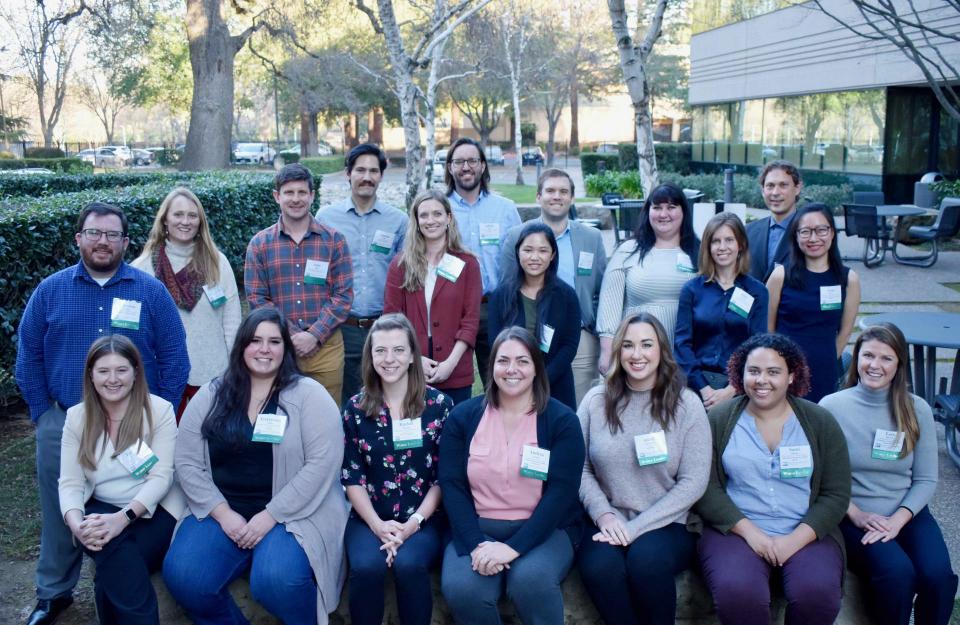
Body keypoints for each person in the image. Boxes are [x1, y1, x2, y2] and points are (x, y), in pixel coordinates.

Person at [15, 202, 188, 625]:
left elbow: (175, 357)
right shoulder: (51, 291)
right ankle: (54, 592)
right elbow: (28, 356)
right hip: (65, 419)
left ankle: (120, 565)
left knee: (134, 493)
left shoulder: (149, 291)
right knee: (63, 506)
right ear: (79, 238)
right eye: (94, 233)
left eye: (113, 235)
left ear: (126, 242)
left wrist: (152, 414)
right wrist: (43, 415)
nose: (103, 242)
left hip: (134, 417)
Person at [163, 307, 348, 625]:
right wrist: (222, 514)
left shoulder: (310, 396)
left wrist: (270, 516)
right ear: (241, 346)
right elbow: (187, 460)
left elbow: (322, 465)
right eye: (255, 340)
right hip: (222, 510)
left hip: (292, 514)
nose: (265, 349)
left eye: (274, 341)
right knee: (185, 577)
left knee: (277, 582)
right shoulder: (212, 394)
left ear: (285, 349)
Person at [695, 333, 851, 625]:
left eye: (773, 372)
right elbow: (707, 486)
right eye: (753, 371)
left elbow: (836, 493)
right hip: (736, 530)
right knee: (738, 592)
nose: (761, 380)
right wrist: (752, 534)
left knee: (816, 594)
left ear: (792, 375)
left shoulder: (819, 421)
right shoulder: (719, 419)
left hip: (804, 529)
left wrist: (794, 540)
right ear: (741, 374)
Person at [439, 326, 585, 625]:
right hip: (478, 529)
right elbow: (452, 485)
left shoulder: (562, 421)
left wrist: (512, 548)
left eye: (522, 361)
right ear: (491, 367)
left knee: (531, 580)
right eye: (503, 361)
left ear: (536, 368)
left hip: (545, 531)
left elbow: (562, 494)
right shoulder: (462, 418)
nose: (512, 370)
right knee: (463, 587)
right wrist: (477, 544)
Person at [577, 313, 710, 625]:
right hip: (607, 519)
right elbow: (579, 468)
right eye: (628, 345)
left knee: (646, 562)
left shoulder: (686, 404)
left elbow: (694, 481)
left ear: (662, 350)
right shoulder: (596, 400)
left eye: (646, 345)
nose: (637, 355)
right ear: (618, 352)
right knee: (599, 568)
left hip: (669, 523)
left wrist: (636, 528)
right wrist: (604, 515)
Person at [820, 323, 958, 625]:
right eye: (868, 355)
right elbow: (820, 478)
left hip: (906, 512)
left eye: (886, 358)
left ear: (899, 365)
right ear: (856, 359)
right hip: (853, 515)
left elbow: (925, 479)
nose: (875, 365)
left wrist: (898, 520)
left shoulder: (915, 408)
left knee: (938, 576)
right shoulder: (831, 408)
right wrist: (855, 514)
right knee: (897, 573)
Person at [59, 335, 184, 625]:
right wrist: (77, 526)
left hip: (155, 508)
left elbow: (161, 476)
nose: (112, 379)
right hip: (100, 507)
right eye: (103, 371)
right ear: (90, 375)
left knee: (115, 562)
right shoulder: (77, 417)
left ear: (136, 372)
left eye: (121, 370)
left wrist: (123, 518)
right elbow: (70, 483)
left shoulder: (159, 411)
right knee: (107, 545)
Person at [341, 313, 454, 625]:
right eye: (380, 351)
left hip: (425, 518)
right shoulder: (354, 409)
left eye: (398, 350)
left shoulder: (440, 407)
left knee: (409, 564)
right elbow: (352, 476)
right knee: (366, 566)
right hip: (369, 518)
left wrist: (413, 524)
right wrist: (378, 525)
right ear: (370, 356)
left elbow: (444, 477)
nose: (389, 359)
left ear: (412, 357)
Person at [245, 163, 353, 407]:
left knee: (326, 415)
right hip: (278, 348)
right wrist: (292, 335)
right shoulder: (260, 244)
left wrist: (314, 335)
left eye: (302, 192)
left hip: (326, 348)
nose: (296, 199)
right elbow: (257, 298)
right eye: (289, 193)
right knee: (279, 415)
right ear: (277, 197)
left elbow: (343, 295)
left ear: (312, 196)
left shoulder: (334, 241)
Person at [501, 168, 607, 407]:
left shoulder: (592, 238)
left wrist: (594, 326)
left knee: (577, 408)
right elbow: (507, 287)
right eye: (550, 190)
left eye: (563, 191)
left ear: (572, 198)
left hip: (579, 338)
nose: (556, 196)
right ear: (538, 197)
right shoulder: (516, 236)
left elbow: (601, 289)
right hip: (527, 335)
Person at [132, 187, 241, 418]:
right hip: (164, 376)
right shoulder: (142, 268)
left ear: (200, 222)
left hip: (213, 372)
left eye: (192, 215)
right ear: (164, 221)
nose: (185, 221)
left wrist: (235, 367)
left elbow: (231, 320)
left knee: (212, 445)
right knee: (169, 444)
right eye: (178, 214)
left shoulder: (216, 262)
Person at [317, 144, 408, 405]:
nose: (366, 176)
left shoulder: (398, 221)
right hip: (341, 327)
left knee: (386, 397)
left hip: (384, 327)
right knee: (344, 400)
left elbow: (404, 276)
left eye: (373, 171)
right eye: (360, 170)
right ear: (348, 173)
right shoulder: (326, 217)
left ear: (381, 176)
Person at [384, 189, 481, 405]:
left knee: (454, 434)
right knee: (412, 435)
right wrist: (414, 359)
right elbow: (391, 319)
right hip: (409, 367)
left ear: (449, 218)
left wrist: (450, 363)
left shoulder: (468, 264)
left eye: (437, 214)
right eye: (424, 215)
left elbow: (471, 320)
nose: (431, 221)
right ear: (416, 222)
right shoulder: (401, 265)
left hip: (454, 367)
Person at [596, 183, 700, 373]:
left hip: (686, 358)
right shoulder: (628, 251)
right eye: (657, 207)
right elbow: (609, 307)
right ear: (647, 211)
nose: (663, 214)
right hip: (635, 356)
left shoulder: (700, 253)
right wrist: (606, 352)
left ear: (684, 211)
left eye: (671, 207)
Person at [445, 137, 521, 384]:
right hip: (452, 308)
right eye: (459, 162)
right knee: (451, 378)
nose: (466, 167)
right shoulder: (438, 209)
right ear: (449, 167)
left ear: (483, 166)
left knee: (499, 379)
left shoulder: (506, 209)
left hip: (495, 306)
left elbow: (520, 256)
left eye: (472, 161)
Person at [767, 203, 861, 402]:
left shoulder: (848, 279)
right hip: (784, 370)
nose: (813, 238)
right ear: (796, 236)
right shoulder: (780, 275)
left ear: (832, 233)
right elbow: (767, 328)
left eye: (821, 230)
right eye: (806, 231)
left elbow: (845, 331)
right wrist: (779, 363)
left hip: (824, 371)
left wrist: (827, 359)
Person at [675, 212, 768, 408]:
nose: (722, 247)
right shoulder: (692, 290)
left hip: (739, 388)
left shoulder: (757, 292)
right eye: (716, 241)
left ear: (740, 244)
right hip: (695, 387)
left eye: (729, 240)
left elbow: (758, 347)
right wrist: (703, 388)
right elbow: (682, 345)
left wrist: (732, 389)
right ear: (708, 246)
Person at [489, 222, 581, 411]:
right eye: (528, 250)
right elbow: (495, 342)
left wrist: (540, 379)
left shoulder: (566, 296)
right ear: (518, 252)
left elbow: (569, 346)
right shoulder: (501, 296)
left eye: (542, 251)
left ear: (552, 255)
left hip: (555, 386)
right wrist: (518, 376)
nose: (534, 257)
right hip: (511, 383)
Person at [746, 160, 803, 281]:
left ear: (797, 188)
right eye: (770, 186)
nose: (775, 192)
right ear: (762, 190)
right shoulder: (748, 231)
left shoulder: (811, 234)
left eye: (783, 185)